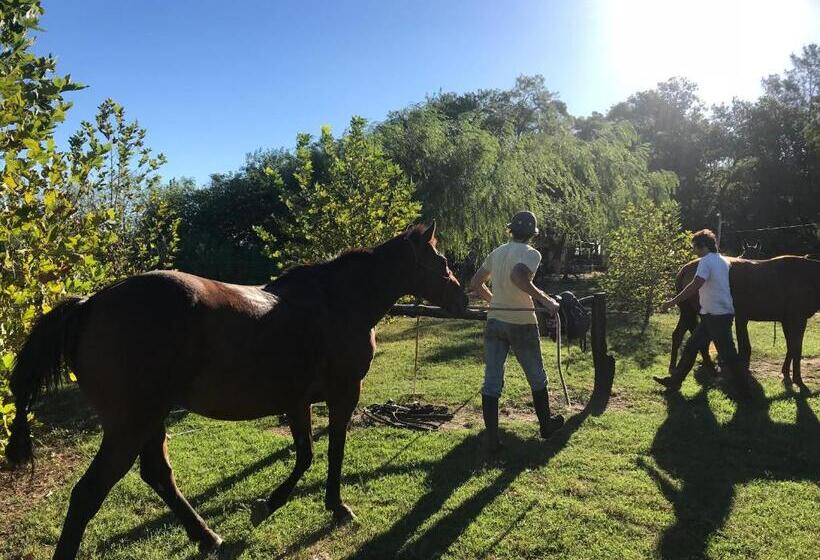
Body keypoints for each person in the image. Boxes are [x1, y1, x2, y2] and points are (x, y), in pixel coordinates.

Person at [468, 211, 564, 452]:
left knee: (491, 381)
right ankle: (546, 426)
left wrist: (494, 302)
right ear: (532, 234)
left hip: (495, 321)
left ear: (511, 230)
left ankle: (492, 439)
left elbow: (475, 283)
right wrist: (546, 300)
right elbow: (518, 277)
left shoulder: (497, 252)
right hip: (521, 322)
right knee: (536, 376)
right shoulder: (532, 253)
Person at [654, 229, 745, 391]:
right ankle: (674, 381)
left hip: (717, 315)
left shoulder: (706, 261)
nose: (693, 251)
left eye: (694, 247)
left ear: (702, 246)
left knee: (728, 354)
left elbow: (695, 285)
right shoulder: (722, 260)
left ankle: (744, 389)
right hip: (714, 314)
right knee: (691, 347)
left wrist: (673, 301)